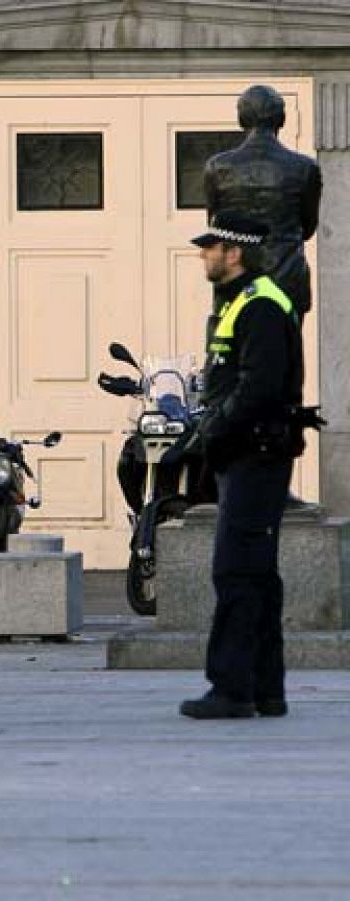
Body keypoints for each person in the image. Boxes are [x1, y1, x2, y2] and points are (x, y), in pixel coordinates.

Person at [181, 213, 310, 720]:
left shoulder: (259, 306)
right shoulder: (242, 303)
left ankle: (232, 689)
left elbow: (256, 389)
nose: (203, 255)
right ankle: (264, 689)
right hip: (248, 456)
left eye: (209, 247)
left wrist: (208, 432)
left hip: (257, 454)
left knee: (236, 571)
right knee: (256, 574)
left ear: (233, 253)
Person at [203, 84, 322, 322]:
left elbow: (216, 223)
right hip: (286, 276)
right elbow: (308, 226)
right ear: (282, 119)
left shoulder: (218, 167)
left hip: (236, 275)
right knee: (286, 352)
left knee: (232, 349)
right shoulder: (304, 168)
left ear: (241, 119)